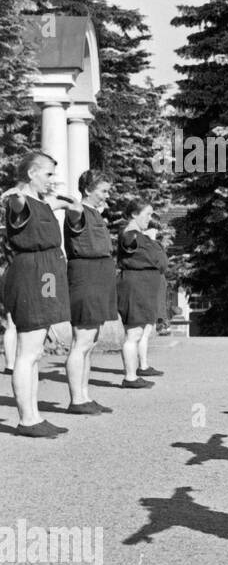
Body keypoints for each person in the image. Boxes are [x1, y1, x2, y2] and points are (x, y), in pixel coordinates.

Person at [2, 150, 74, 437]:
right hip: (31, 273)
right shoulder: (21, 201)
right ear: (32, 173)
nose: (51, 180)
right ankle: (27, 419)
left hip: (46, 273)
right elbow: (17, 202)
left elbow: (68, 202)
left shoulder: (41, 202)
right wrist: (14, 194)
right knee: (27, 351)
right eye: (47, 174)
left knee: (37, 350)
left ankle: (33, 415)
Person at [63, 169, 116, 414]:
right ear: (87, 190)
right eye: (103, 190)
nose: (107, 195)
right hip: (86, 276)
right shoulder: (79, 211)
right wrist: (71, 204)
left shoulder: (94, 212)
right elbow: (74, 213)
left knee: (90, 341)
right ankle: (76, 400)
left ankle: (84, 396)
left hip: (98, 276)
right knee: (81, 341)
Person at [117, 201, 168, 388]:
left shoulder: (140, 235)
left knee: (139, 333)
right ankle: (130, 377)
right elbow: (128, 242)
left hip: (145, 286)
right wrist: (142, 236)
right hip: (136, 287)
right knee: (133, 334)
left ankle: (134, 373)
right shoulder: (130, 234)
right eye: (147, 214)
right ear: (133, 215)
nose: (150, 218)